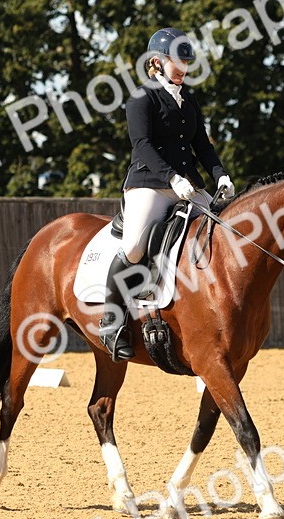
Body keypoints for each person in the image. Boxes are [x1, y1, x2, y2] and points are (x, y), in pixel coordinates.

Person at [98, 27, 235, 361]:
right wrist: (172, 178)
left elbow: (202, 145)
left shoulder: (188, 99)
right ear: (157, 62)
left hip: (188, 185)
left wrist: (221, 176)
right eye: (176, 61)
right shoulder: (141, 97)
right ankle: (111, 321)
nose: (182, 68)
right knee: (132, 246)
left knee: (220, 236)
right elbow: (141, 146)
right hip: (148, 183)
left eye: (186, 61)